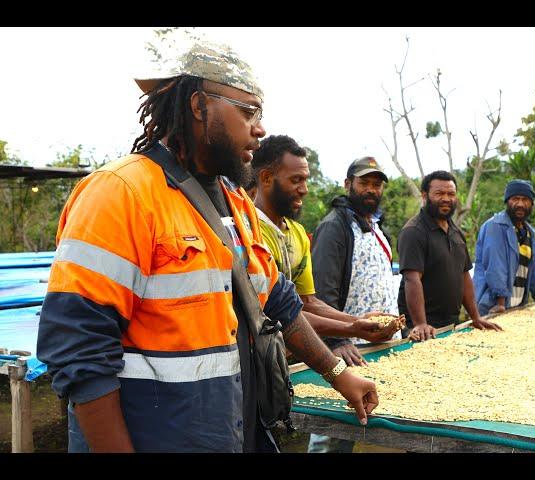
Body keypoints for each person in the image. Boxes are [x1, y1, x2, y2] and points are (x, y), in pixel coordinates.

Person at [35, 40, 378, 453]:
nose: (260, 128)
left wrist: (340, 374)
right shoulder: (121, 193)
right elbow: (79, 349)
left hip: (230, 432)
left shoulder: (236, 203)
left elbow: (279, 301)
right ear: (199, 106)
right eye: (248, 111)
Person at [252, 135, 399, 343]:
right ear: (266, 178)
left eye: (305, 180)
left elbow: (308, 302)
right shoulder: (248, 233)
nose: (304, 190)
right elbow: (281, 312)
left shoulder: (297, 234)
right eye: (296, 180)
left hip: (286, 355)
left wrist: (357, 322)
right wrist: (348, 331)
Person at [308, 156, 401, 453]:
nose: (371, 190)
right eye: (364, 183)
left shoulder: (376, 228)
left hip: (376, 343)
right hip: (348, 347)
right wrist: (336, 340)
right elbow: (320, 292)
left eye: (377, 184)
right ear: (348, 184)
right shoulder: (335, 227)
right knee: (334, 425)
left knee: (365, 416)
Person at [397, 171, 501, 342]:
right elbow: (412, 279)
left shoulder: (456, 232)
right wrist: (420, 323)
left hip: (451, 323)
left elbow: (464, 275)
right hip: (422, 328)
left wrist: (476, 317)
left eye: (450, 194)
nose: (446, 198)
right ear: (425, 196)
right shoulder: (414, 232)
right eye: (439, 193)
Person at [473, 179, 535, 316]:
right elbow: (495, 266)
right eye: (515, 199)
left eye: (525, 199)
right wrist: (500, 303)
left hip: (516, 305)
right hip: (492, 306)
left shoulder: (529, 233)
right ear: (507, 201)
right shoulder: (495, 226)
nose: (520, 204)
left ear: (532, 203)